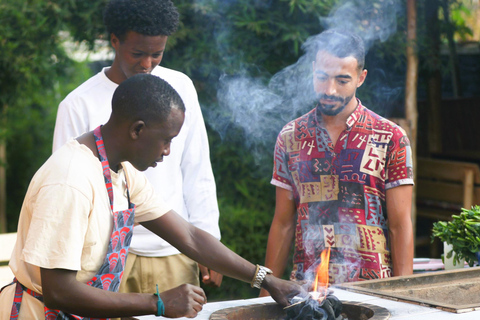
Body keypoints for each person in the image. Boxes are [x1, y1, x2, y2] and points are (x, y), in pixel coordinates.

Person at [0, 74, 304, 319]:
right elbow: (59, 291)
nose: (168, 151)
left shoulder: (122, 173)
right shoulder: (71, 180)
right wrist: (157, 303)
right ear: (137, 130)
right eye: (166, 140)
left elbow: (190, 236)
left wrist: (265, 279)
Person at [52, 0, 223, 294]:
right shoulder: (78, 105)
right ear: (115, 41)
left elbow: (197, 170)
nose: (147, 64)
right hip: (104, 257)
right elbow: (65, 194)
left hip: (174, 249)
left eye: (156, 54)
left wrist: (209, 240)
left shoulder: (179, 88)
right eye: (138, 53)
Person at [261, 29, 414, 293]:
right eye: (322, 77)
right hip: (307, 290)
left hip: (374, 290)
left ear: (360, 78)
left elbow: (400, 226)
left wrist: (404, 297)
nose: (329, 90)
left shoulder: (391, 137)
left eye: (342, 80)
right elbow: (283, 223)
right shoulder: (291, 136)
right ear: (313, 71)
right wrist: (265, 293)